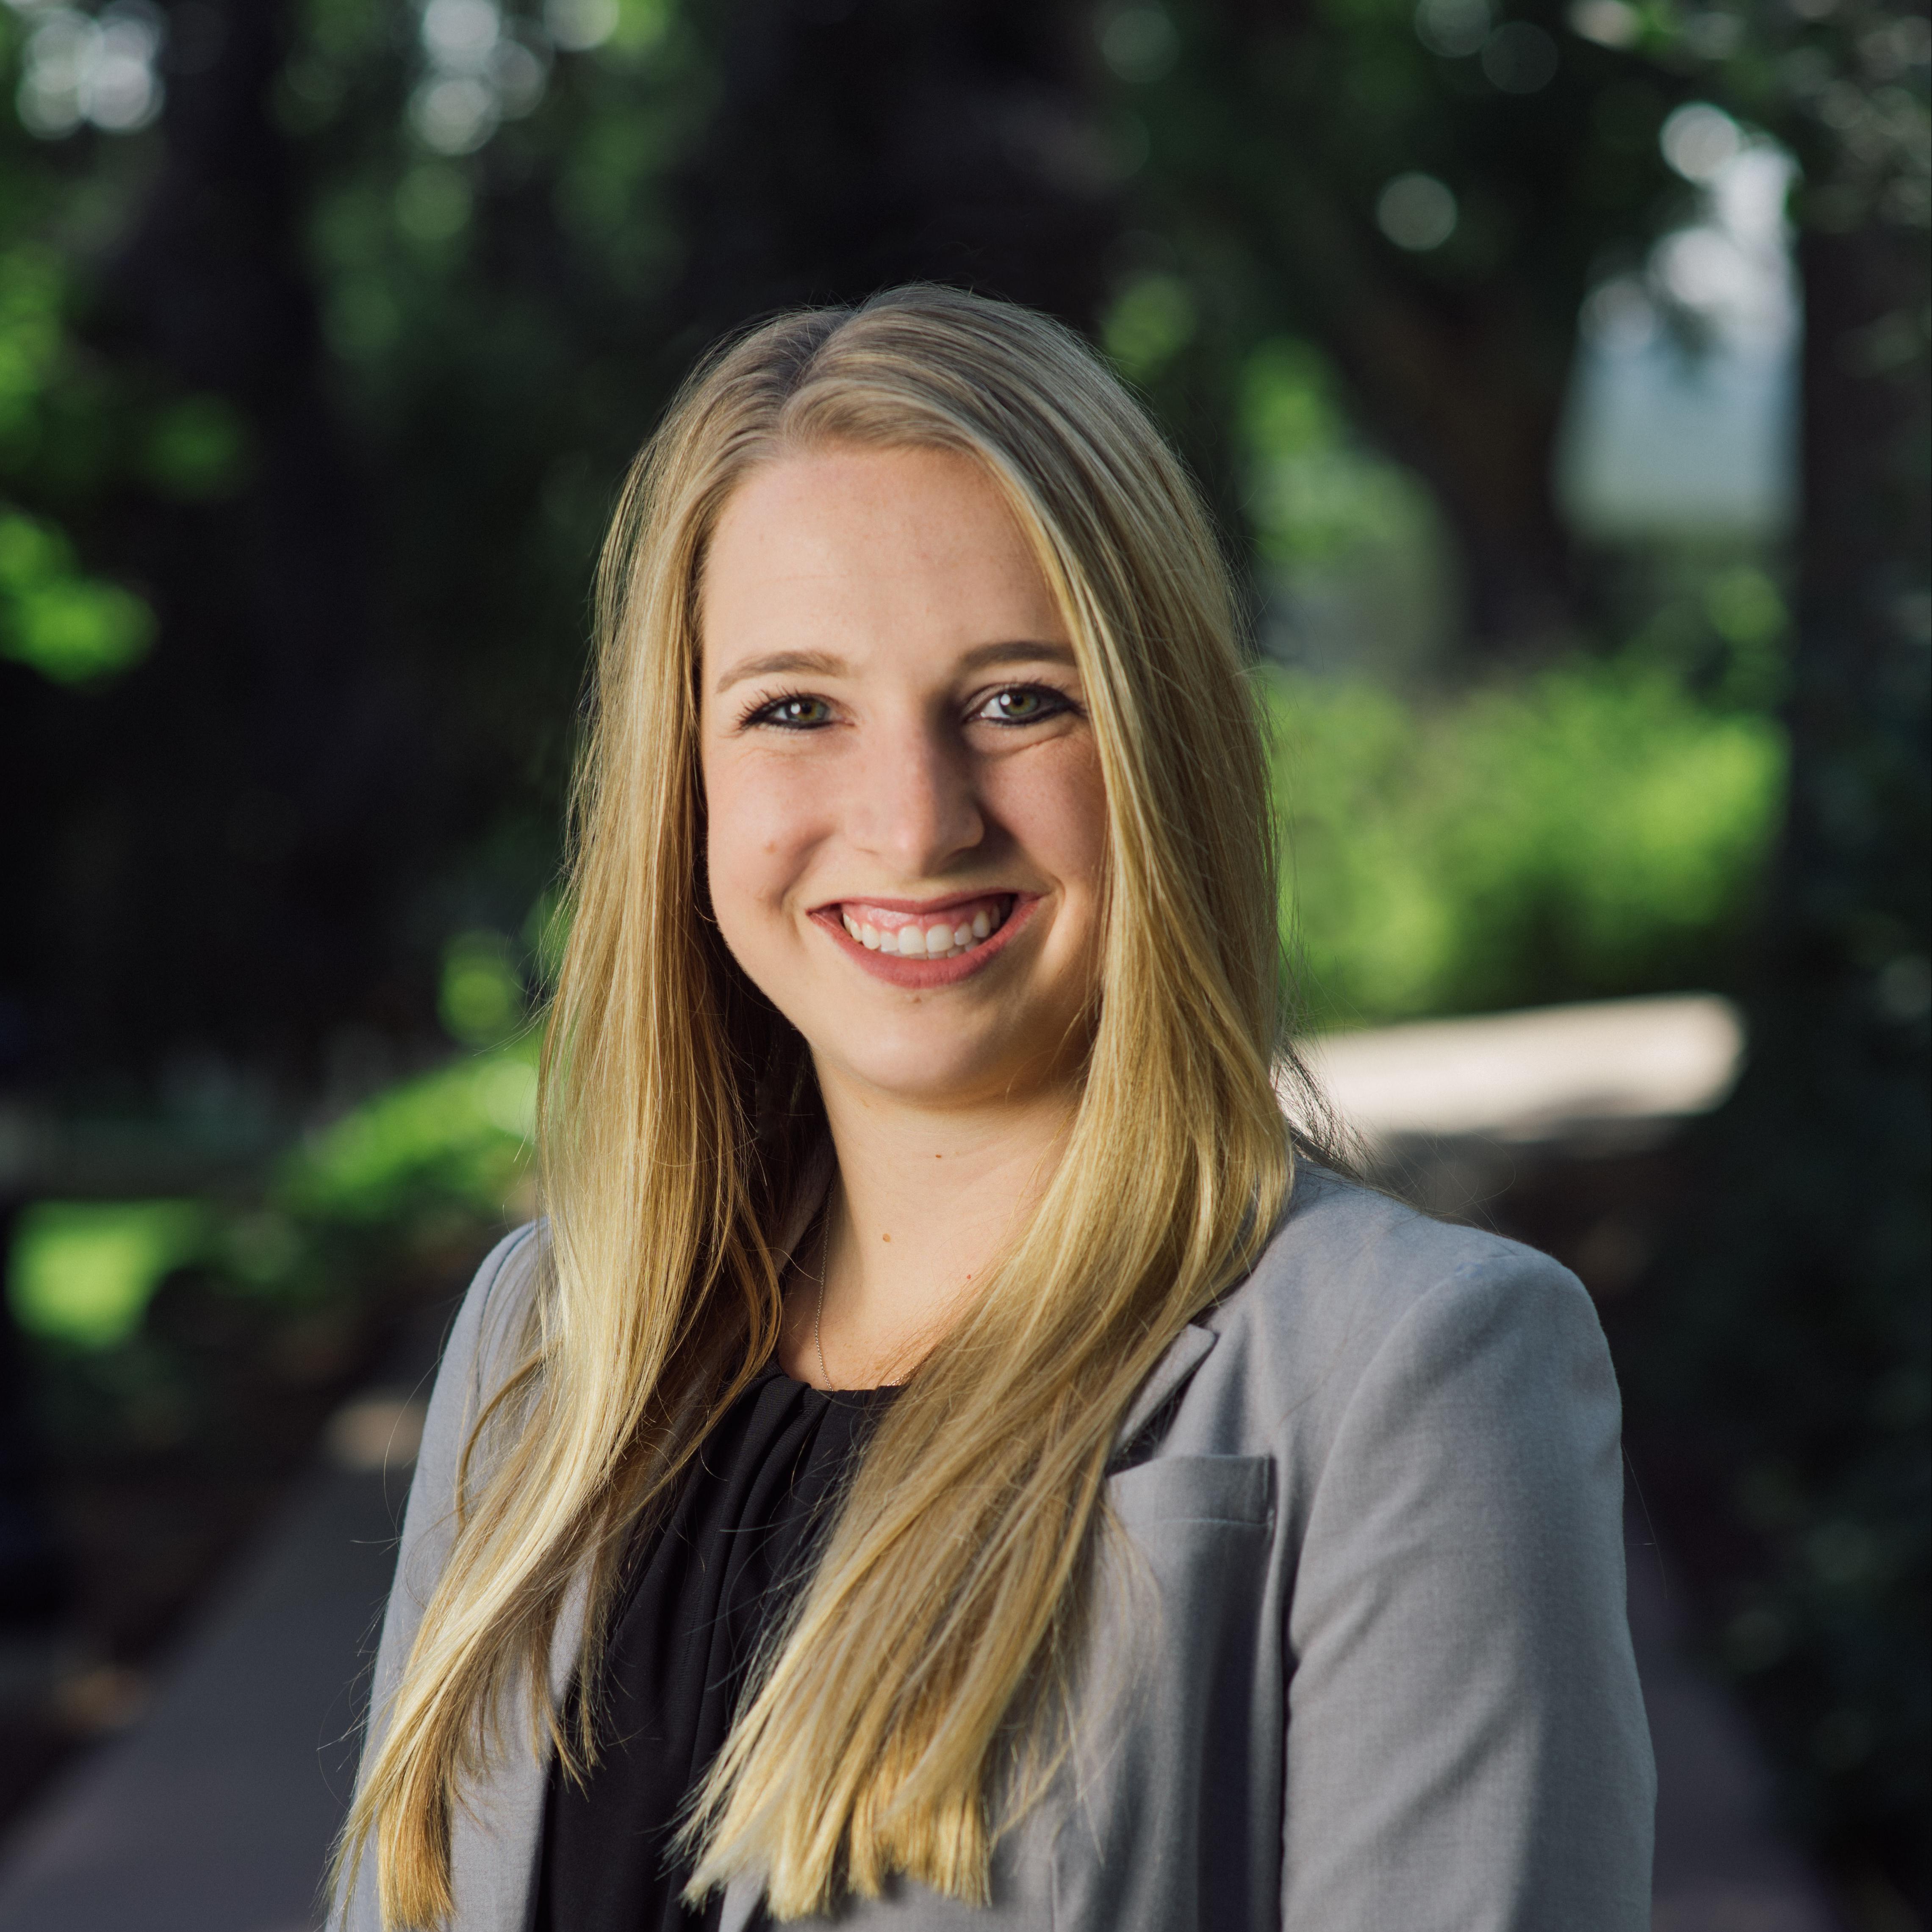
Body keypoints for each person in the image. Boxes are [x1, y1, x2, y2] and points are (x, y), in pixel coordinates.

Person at [330, 285, 1654, 1932]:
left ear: (1163, 745)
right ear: (684, 777)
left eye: (1020, 698)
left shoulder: (1415, 1371)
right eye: (794, 708)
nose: (913, 822)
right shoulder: (541, 1343)